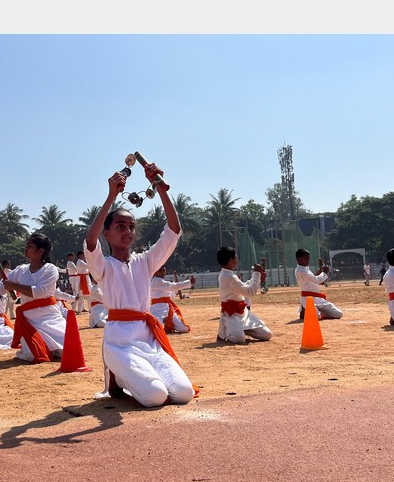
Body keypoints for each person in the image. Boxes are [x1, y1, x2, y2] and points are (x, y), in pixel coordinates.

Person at [84, 158, 196, 408]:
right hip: (119, 342)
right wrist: (111, 196)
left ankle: (130, 378)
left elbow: (173, 231)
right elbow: (90, 243)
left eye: (131, 227)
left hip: (148, 339)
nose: (127, 231)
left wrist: (162, 190)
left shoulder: (145, 261)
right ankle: (120, 377)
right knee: (155, 396)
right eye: (120, 226)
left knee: (183, 393)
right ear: (108, 233)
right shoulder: (103, 266)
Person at [0, 233, 66, 363]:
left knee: (64, 349)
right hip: (29, 318)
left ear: (40, 251)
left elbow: (40, 292)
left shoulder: (50, 269)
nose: (25, 249)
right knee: (31, 353)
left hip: (48, 316)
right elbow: (1, 288)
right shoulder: (21, 269)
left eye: (29, 246)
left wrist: (14, 286)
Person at [217, 246, 272, 344]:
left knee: (267, 334)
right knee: (239, 339)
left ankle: (242, 328)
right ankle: (227, 328)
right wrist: (257, 274)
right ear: (230, 260)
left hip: (242, 313)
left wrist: (258, 276)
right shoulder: (229, 276)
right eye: (235, 258)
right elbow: (250, 292)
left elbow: (243, 287)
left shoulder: (228, 275)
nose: (237, 261)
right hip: (231, 315)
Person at [294, 248, 343, 320]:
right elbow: (316, 280)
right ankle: (304, 310)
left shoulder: (305, 269)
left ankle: (316, 311)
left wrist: (319, 273)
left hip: (318, 298)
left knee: (338, 314)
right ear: (299, 259)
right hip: (308, 299)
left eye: (308, 258)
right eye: (305, 258)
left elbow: (312, 279)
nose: (308, 260)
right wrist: (324, 272)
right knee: (317, 317)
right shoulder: (301, 271)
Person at [149, 264, 195, 333]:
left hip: (168, 309)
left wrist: (176, 290)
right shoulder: (156, 281)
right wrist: (189, 282)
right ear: (155, 272)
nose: (162, 272)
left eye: (164, 270)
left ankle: (167, 325)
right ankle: (165, 325)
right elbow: (173, 286)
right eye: (160, 270)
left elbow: (170, 295)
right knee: (157, 329)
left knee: (184, 328)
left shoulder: (162, 283)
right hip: (157, 310)